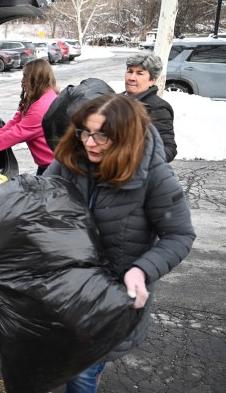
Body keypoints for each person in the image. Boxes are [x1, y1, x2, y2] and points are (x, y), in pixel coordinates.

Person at [44, 94, 195, 392]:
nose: (89, 142)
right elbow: (40, 199)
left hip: (111, 299)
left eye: (102, 135)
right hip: (65, 289)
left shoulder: (155, 175)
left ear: (125, 136)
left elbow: (180, 235)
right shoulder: (70, 159)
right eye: (85, 131)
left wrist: (141, 271)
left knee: (81, 375)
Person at [0, 58, 58, 175]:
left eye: (25, 76)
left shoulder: (42, 107)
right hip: (48, 164)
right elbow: (14, 123)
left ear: (36, 78)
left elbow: (17, 133)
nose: (22, 81)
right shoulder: (36, 98)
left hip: (56, 168)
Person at [123, 52, 177, 162]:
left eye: (139, 73)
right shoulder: (117, 100)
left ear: (152, 80)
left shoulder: (157, 108)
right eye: (130, 71)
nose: (132, 77)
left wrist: (134, 161)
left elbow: (168, 149)